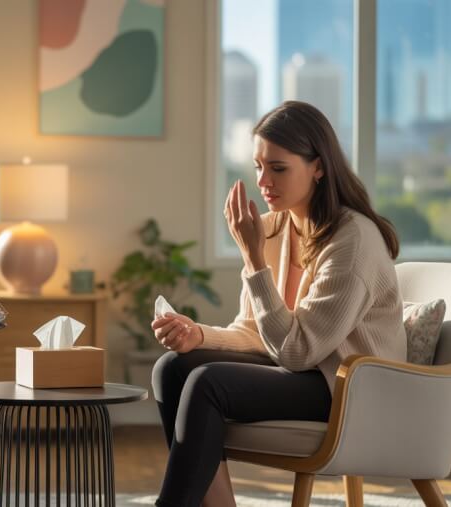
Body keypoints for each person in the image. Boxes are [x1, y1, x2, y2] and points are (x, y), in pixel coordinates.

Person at [150, 101, 407, 507]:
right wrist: (198, 334)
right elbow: (256, 331)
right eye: (258, 167)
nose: (263, 181)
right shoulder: (272, 229)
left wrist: (253, 260)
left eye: (278, 168)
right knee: (174, 367)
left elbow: (298, 352)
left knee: (207, 383)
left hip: (348, 387)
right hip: (301, 370)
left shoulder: (352, 241)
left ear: (318, 167)